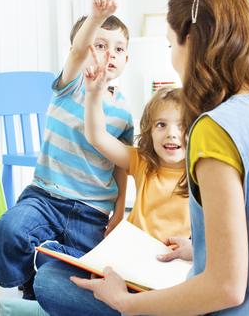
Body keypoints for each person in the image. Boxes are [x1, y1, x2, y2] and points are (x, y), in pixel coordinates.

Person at [66, 0, 249, 315]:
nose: (172, 59)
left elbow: (225, 289)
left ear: (191, 40)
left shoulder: (216, 128)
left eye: (171, 45)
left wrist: (126, 303)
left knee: (57, 281)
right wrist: (198, 249)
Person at [0, 0, 134, 301]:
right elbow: (78, 49)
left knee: (89, 272)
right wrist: (95, 17)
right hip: (45, 198)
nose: (109, 54)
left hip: (91, 213)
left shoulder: (124, 112)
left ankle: (49, 257)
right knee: (6, 232)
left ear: (127, 59)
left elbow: (122, 166)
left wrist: (120, 212)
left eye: (119, 49)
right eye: (100, 45)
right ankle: (28, 281)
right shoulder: (71, 85)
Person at [33, 48, 191, 315]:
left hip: (168, 279)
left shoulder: (201, 173)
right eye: (161, 125)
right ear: (149, 131)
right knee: (48, 277)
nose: (171, 134)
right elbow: (97, 137)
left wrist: (196, 248)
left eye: (182, 125)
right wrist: (94, 94)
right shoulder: (142, 162)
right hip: (127, 266)